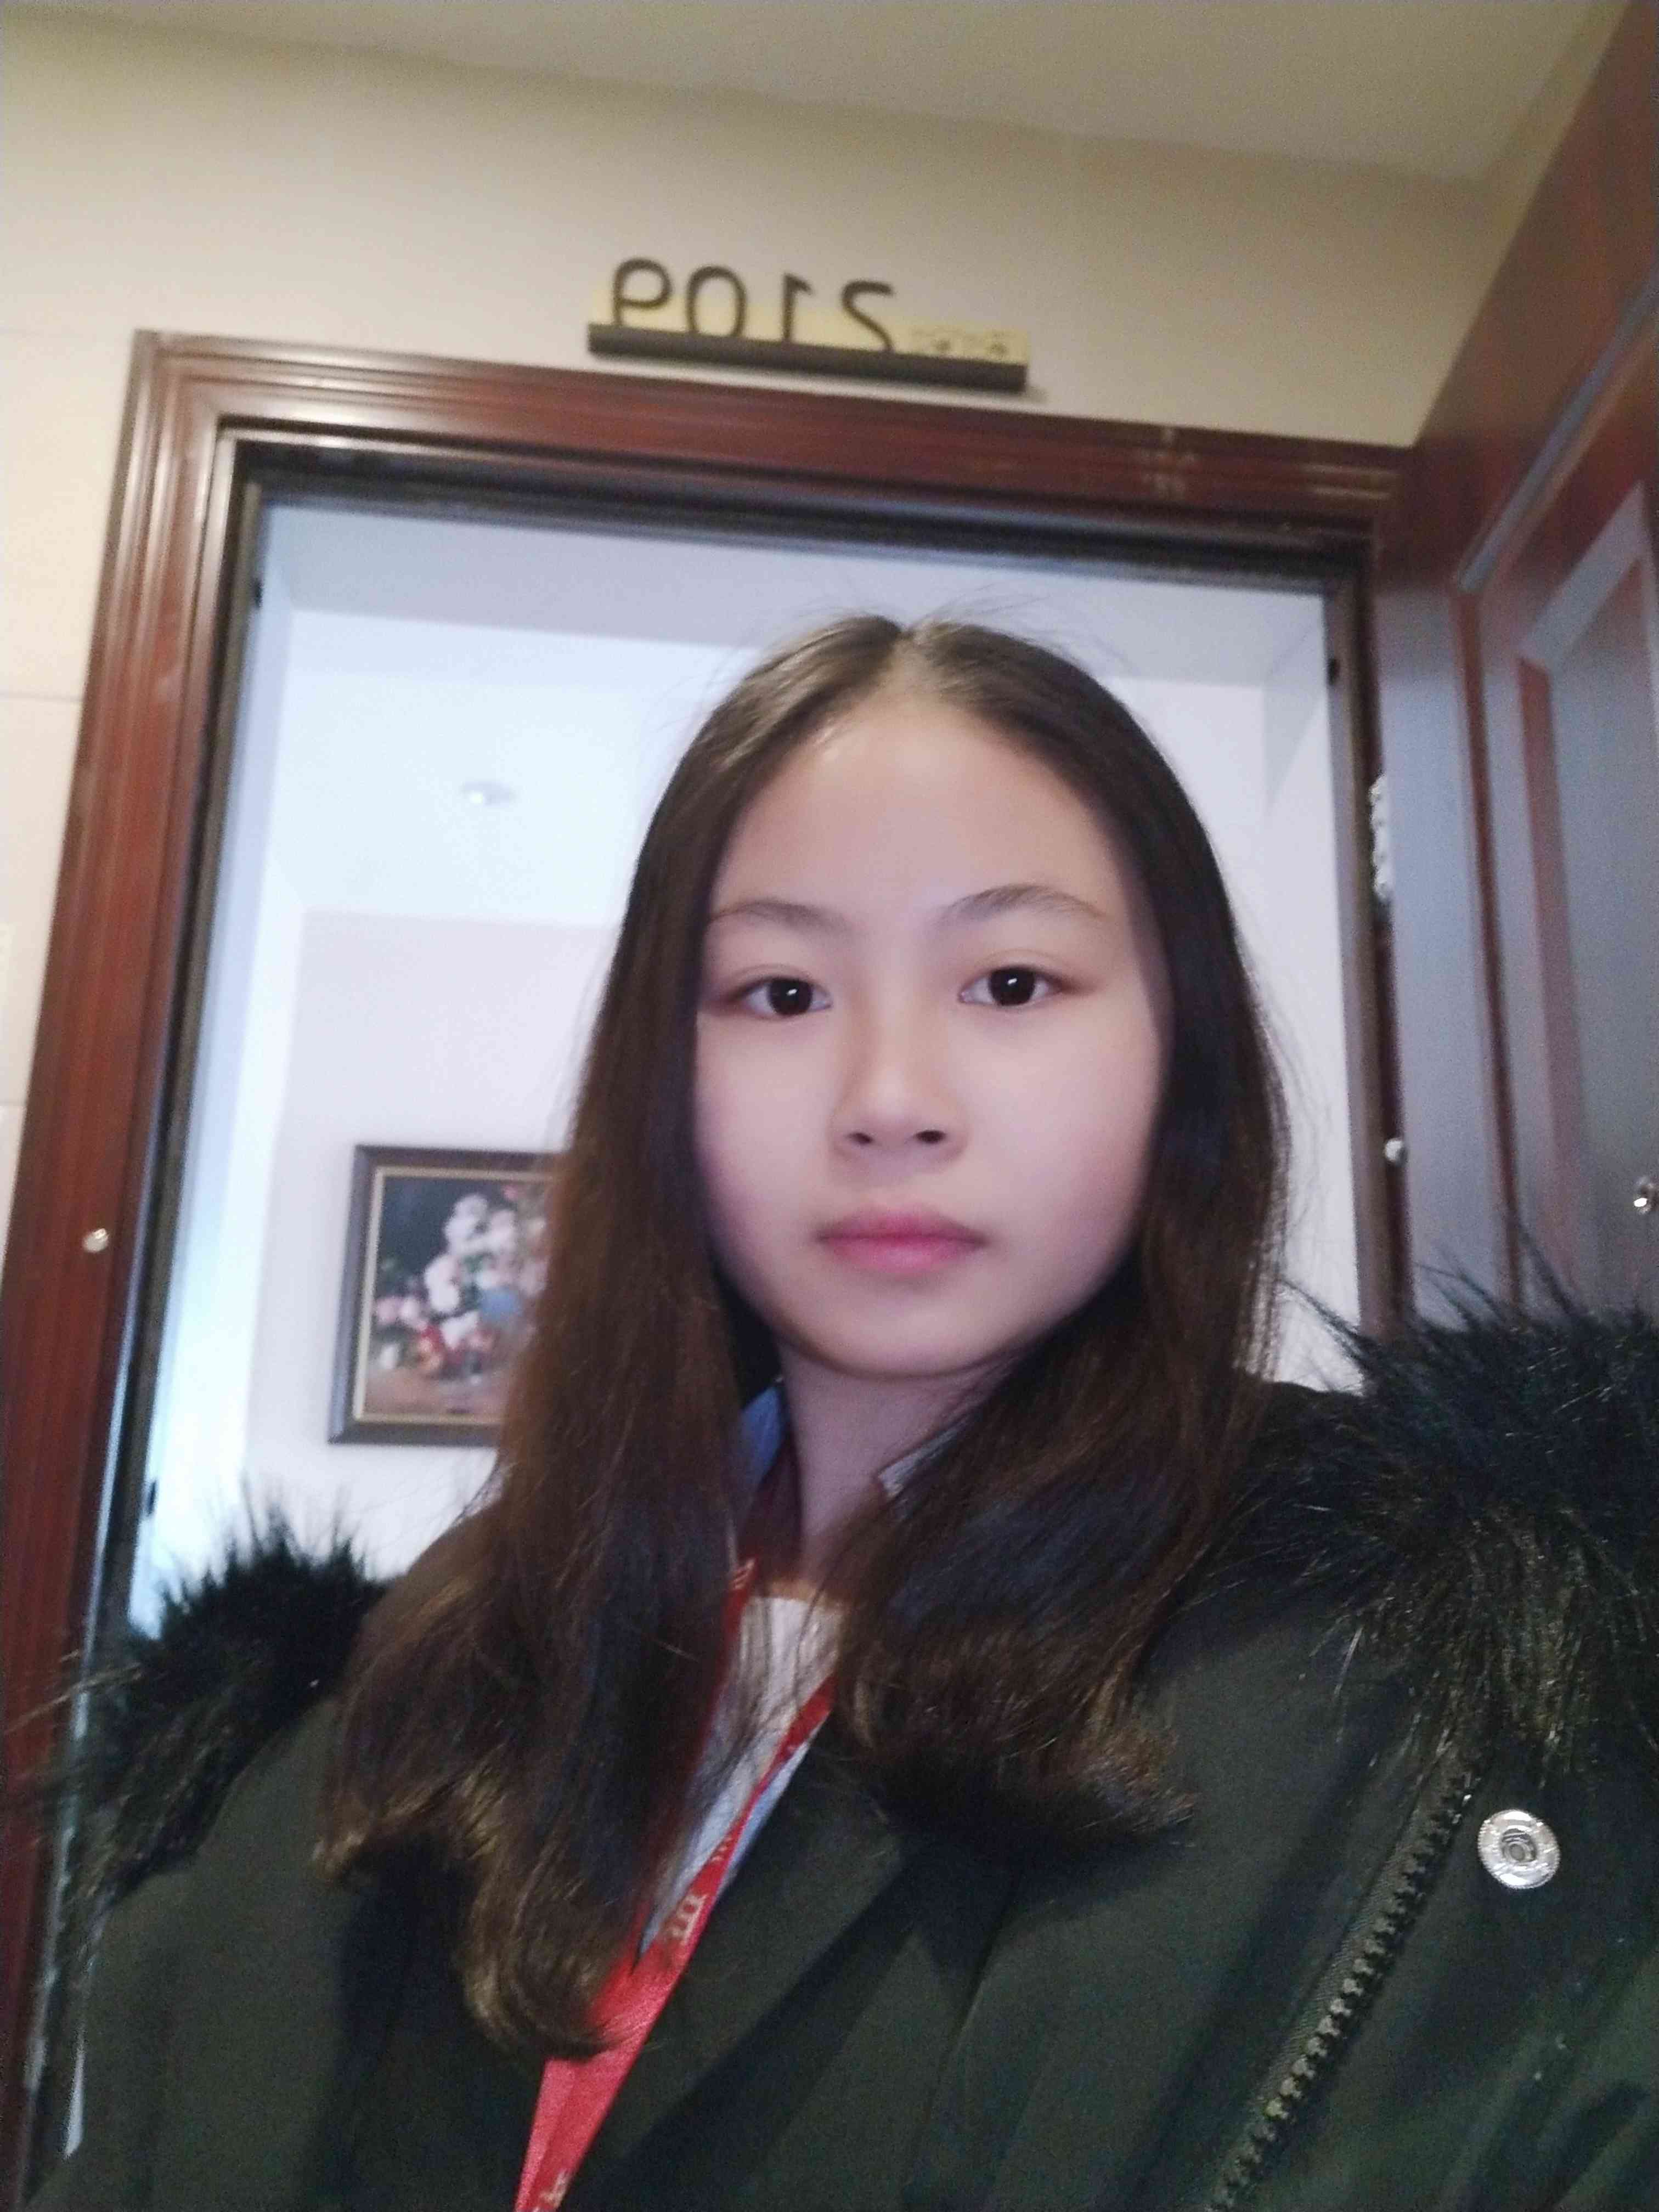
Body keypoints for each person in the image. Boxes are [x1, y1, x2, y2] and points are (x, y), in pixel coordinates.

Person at [26, 619, 1659, 2210]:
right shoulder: (393, 1689)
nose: (889, 1102)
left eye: (1011, 981)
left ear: (1184, 1055)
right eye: (782, 993)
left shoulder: (1443, 1689)